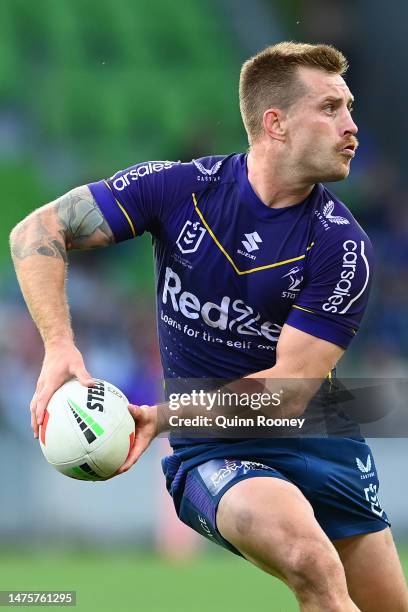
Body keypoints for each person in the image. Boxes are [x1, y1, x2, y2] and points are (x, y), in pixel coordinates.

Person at [10, 42, 408, 612]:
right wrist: (59, 346)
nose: (352, 126)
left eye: (349, 107)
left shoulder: (344, 246)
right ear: (276, 123)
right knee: (309, 561)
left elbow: (286, 393)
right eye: (331, 108)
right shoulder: (179, 189)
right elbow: (35, 231)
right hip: (215, 449)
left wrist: (162, 415)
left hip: (322, 441)